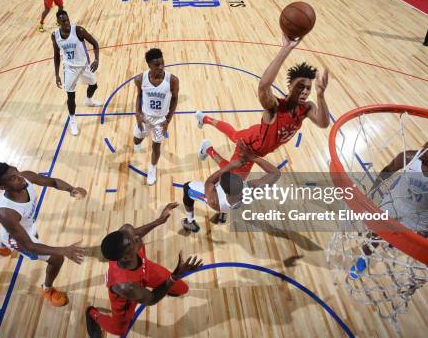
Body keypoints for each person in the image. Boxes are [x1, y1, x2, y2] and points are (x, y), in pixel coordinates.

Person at [194, 34, 330, 180]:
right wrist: (286, 48)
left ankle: (204, 119)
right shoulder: (275, 107)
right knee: (235, 180)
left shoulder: (307, 108)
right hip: (249, 146)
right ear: (290, 86)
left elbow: (323, 123)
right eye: (300, 87)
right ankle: (207, 148)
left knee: (233, 134)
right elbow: (263, 86)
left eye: (308, 88)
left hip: (257, 138)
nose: (304, 91)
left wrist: (320, 95)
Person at [349, 136, 428, 279]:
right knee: (375, 234)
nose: (426, 149)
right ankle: (363, 258)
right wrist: (372, 192)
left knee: (406, 243)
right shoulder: (410, 157)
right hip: (394, 203)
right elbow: (388, 169)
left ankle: (394, 242)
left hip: (419, 216)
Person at [85, 203, 203, 337]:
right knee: (120, 330)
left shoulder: (125, 233)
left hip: (146, 268)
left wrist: (159, 221)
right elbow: (152, 299)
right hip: (130, 294)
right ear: (124, 257)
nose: (136, 237)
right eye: (132, 242)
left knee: (182, 289)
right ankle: (92, 314)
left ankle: (163, 287)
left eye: (131, 236)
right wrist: (174, 275)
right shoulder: (125, 287)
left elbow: (133, 232)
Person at [0, 163, 87, 305]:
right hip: (17, 239)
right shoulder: (5, 212)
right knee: (57, 258)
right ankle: (47, 289)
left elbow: (53, 182)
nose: (20, 178)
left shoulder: (25, 178)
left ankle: (1, 248)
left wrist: (71, 189)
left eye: (17, 172)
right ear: (3, 187)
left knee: (17, 230)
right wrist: (63, 250)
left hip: (23, 227)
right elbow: (29, 246)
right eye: (13, 178)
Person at [181, 139, 281, 232]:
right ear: (241, 183)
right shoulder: (251, 190)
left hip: (220, 205)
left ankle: (190, 221)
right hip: (232, 204)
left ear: (223, 189)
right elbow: (276, 173)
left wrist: (230, 166)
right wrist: (252, 157)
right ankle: (222, 216)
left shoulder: (213, 200)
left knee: (187, 187)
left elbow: (209, 181)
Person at [133, 48, 179, 186]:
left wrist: (168, 121)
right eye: (157, 65)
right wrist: (137, 114)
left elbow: (175, 99)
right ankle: (138, 142)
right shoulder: (140, 79)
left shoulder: (172, 80)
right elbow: (139, 95)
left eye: (162, 63)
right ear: (149, 65)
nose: (161, 67)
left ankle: (152, 168)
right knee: (136, 140)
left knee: (156, 147)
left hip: (161, 120)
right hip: (145, 117)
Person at [51, 9, 101, 136]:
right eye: (63, 21)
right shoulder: (55, 35)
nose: (66, 22)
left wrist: (96, 60)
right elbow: (56, 55)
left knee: (94, 85)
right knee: (71, 95)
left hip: (84, 66)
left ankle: (88, 100)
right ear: (58, 22)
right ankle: (72, 120)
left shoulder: (79, 30)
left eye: (67, 19)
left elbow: (95, 44)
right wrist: (56, 74)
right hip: (69, 69)